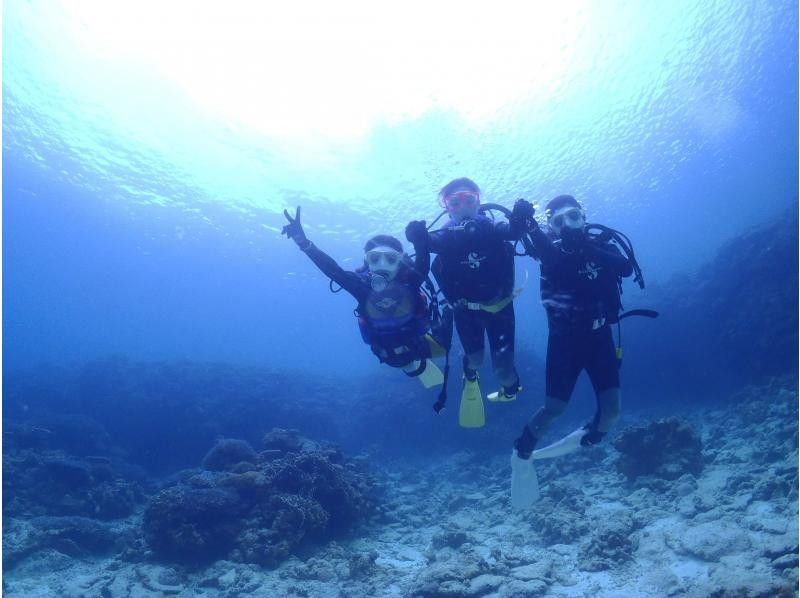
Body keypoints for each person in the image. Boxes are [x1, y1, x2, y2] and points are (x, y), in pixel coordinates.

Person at [514, 194, 634, 461]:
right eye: (558, 221)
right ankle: (521, 450)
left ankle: (590, 436)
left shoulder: (603, 246)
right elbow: (555, 260)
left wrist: (590, 250)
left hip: (600, 337)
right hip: (565, 343)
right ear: (551, 228)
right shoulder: (550, 253)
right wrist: (531, 227)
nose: (567, 224)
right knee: (554, 409)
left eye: (573, 216)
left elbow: (626, 269)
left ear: (584, 217)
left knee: (612, 413)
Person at [406, 178, 534, 428]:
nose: (462, 206)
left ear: (478, 201)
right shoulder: (443, 238)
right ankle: (470, 373)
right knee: (474, 359)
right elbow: (425, 253)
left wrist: (520, 219)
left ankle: (510, 391)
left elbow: (512, 231)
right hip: (466, 313)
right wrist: (418, 239)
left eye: (469, 199)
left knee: (504, 373)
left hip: (501, 309)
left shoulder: (493, 226)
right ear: (447, 208)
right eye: (454, 202)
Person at [282, 207, 452, 394]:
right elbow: (333, 270)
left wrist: (421, 241)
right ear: (367, 263)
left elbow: (422, 260)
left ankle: (435, 364)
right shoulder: (362, 288)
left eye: (390, 259)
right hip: (408, 349)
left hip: (411, 348)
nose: (382, 265)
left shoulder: (410, 280)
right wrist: (304, 243)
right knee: (446, 336)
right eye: (375, 258)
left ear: (400, 262)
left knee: (452, 314)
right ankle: (423, 362)